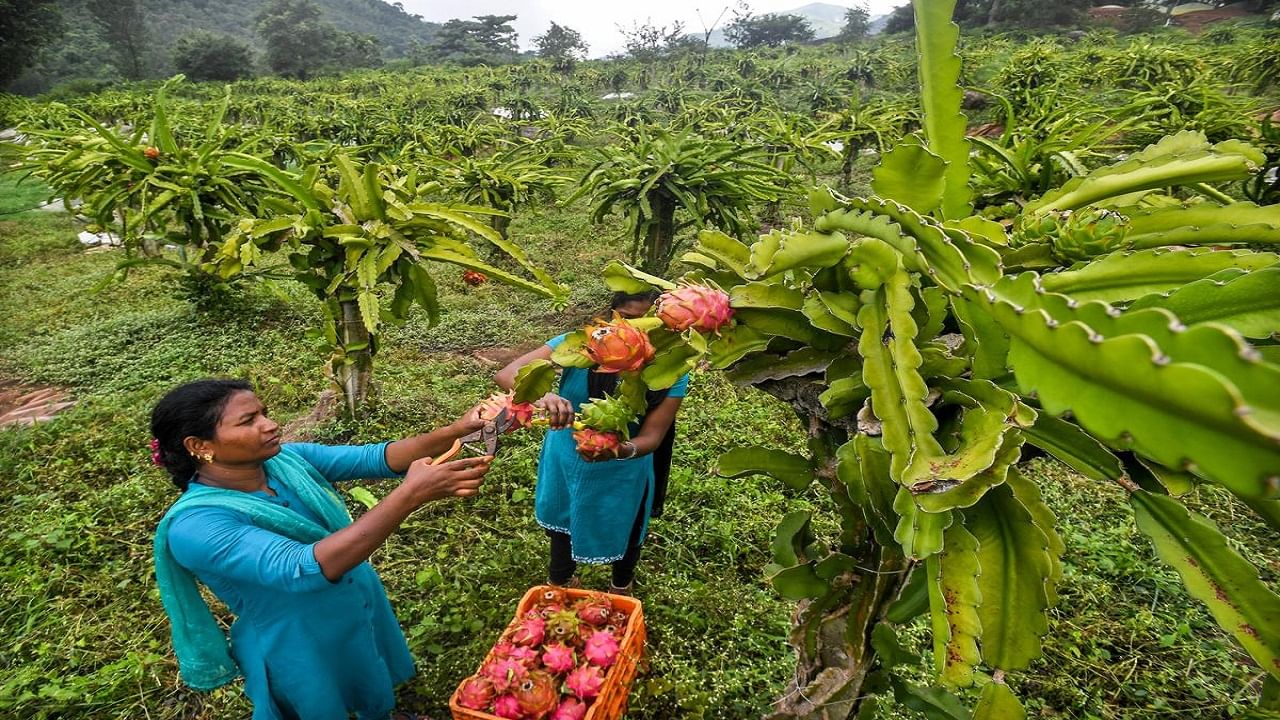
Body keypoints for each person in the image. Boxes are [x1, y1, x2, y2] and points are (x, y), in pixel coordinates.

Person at [150, 378, 492, 720]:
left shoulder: (288, 463)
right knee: (316, 703)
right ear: (199, 445)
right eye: (248, 421)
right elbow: (300, 568)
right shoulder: (196, 527)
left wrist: (456, 430)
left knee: (364, 673)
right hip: (295, 640)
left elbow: (380, 457)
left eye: (264, 413)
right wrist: (410, 495)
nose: (270, 425)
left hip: (348, 604)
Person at [495, 291, 689, 595]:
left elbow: (653, 436)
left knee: (626, 524)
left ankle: (621, 586)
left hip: (625, 467)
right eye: (625, 317)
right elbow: (507, 374)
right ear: (611, 314)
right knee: (564, 518)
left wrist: (620, 449)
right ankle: (561, 582)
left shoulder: (672, 367)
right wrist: (541, 395)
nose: (634, 329)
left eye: (647, 321)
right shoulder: (576, 345)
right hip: (565, 455)